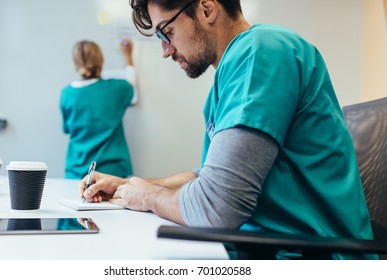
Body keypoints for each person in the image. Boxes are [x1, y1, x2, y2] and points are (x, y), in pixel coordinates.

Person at [79, 0, 375, 259]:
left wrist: (148, 197)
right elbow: (210, 176)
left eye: (166, 32)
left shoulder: (261, 53)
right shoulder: (236, 70)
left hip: (313, 258)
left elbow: (216, 208)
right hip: (267, 248)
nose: (165, 51)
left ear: (207, 8)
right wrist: (130, 185)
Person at [60, 39, 137, 179]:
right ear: (101, 61)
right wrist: (128, 55)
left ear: (75, 64)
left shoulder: (67, 94)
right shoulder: (116, 88)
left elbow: (67, 129)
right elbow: (132, 87)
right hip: (110, 174)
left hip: (75, 175)